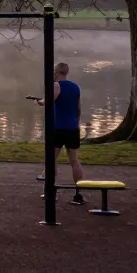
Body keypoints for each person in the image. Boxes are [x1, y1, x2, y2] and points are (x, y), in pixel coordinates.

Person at [42, 62, 85, 201]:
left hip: (58, 127)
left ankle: (51, 192)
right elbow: (78, 109)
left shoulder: (56, 85)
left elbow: (48, 101)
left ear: (56, 72)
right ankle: (78, 193)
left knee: (52, 159)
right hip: (73, 128)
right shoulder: (76, 87)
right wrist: (77, 123)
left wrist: (39, 101)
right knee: (74, 160)